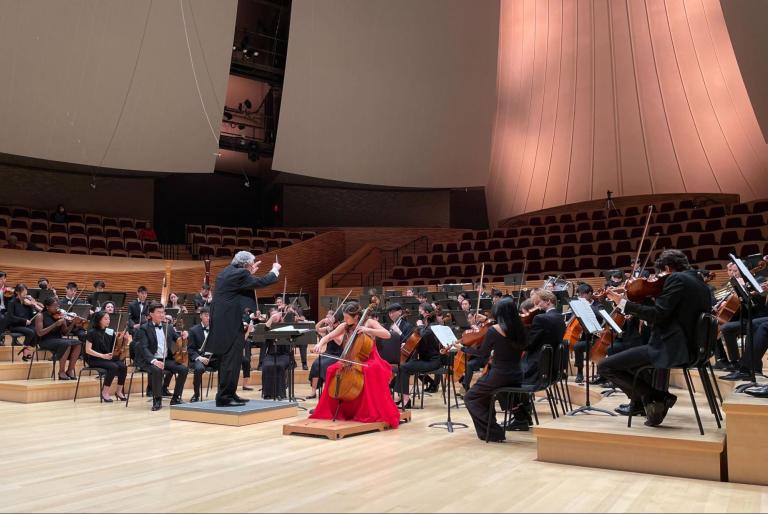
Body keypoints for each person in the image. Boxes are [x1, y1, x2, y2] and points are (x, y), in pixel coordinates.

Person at [601, 249, 712, 427]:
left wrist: (622, 303)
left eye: (661, 273)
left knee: (605, 366)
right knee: (628, 356)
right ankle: (646, 401)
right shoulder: (700, 284)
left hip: (673, 347)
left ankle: (657, 397)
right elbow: (671, 311)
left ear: (668, 267)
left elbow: (658, 314)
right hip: (693, 347)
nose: (659, 278)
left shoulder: (677, 279)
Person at [207, 251, 280, 407]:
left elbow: (244, 285)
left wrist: (249, 272)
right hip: (228, 323)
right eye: (252, 264)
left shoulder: (229, 271)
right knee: (229, 360)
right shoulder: (239, 273)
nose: (253, 266)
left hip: (227, 321)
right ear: (246, 264)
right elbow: (261, 282)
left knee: (234, 360)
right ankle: (224, 397)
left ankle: (230, 393)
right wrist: (275, 270)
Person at [310, 302, 400, 427]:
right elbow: (329, 336)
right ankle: (334, 409)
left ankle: (365, 411)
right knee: (331, 369)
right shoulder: (345, 325)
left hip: (370, 359)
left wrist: (367, 330)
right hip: (351, 359)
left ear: (356, 316)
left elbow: (387, 334)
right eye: (345, 317)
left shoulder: (368, 322)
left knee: (368, 371)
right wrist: (320, 344)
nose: (345, 320)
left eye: (347, 317)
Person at [460, 298, 527, 442]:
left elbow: (482, 354)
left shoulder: (494, 330)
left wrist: (463, 348)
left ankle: (493, 432)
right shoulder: (521, 327)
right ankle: (492, 428)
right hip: (517, 374)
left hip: (500, 374)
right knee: (484, 395)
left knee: (470, 397)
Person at [132, 302, 189, 411]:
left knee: (183, 369)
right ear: (151, 314)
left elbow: (178, 340)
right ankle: (157, 400)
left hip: (165, 359)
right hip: (148, 360)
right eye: (159, 312)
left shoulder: (168, 327)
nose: (162, 315)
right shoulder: (144, 328)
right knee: (157, 369)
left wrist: (184, 336)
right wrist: (154, 361)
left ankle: (176, 398)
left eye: (163, 312)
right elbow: (143, 348)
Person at [393, 303, 442, 409]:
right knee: (402, 367)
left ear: (427, 313)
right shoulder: (425, 327)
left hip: (433, 362)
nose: (419, 314)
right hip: (424, 360)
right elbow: (419, 342)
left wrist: (419, 325)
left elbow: (424, 335)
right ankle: (399, 397)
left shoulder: (433, 326)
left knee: (404, 368)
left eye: (421, 312)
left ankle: (405, 399)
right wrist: (406, 344)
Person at [35, 297, 83, 380]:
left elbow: (66, 333)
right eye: (55, 305)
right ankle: (61, 372)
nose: (57, 307)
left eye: (58, 305)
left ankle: (70, 370)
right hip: (45, 340)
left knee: (78, 343)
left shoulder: (60, 315)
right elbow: (39, 333)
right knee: (66, 344)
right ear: (47, 306)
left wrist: (73, 323)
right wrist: (55, 324)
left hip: (58, 339)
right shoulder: (40, 316)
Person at [85, 311, 128, 402]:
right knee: (113, 367)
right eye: (105, 318)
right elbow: (88, 350)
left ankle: (119, 391)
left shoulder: (110, 331)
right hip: (95, 359)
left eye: (109, 318)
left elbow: (115, 347)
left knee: (123, 366)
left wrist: (121, 339)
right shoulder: (91, 332)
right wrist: (102, 355)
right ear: (99, 320)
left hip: (107, 358)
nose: (108, 320)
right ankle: (105, 392)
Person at [308, 310, 344, 399]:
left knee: (323, 365)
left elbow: (340, 342)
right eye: (327, 317)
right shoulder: (328, 327)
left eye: (329, 317)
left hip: (337, 354)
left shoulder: (340, 327)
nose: (328, 318)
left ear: (335, 318)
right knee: (316, 364)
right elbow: (316, 329)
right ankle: (313, 392)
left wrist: (332, 332)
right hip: (328, 353)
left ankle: (325, 392)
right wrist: (322, 321)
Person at [571, 283, 603, 384]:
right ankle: (580, 373)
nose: (580, 297)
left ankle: (600, 373)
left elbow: (599, 315)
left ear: (590, 294)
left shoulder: (598, 305)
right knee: (577, 346)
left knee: (598, 348)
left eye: (582, 295)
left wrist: (587, 306)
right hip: (585, 338)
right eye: (578, 295)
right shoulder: (578, 306)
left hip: (597, 339)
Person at [7, 284, 41, 360]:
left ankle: (27, 350)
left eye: (26, 292)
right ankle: (25, 350)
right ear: (17, 292)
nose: (25, 295)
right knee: (31, 332)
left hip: (26, 325)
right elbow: (10, 317)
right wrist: (24, 320)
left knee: (38, 331)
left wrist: (33, 305)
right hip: (15, 325)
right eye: (24, 293)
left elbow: (32, 314)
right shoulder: (12, 302)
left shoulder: (27, 303)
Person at [187, 307, 213, 402]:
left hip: (212, 358)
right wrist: (200, 358)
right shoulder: (193, 330)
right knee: (199, 369)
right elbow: (190, 349)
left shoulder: (215, 329)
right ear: (201, 316)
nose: (208, 317)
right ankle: (196, 394)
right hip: (199, 358)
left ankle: (223, 393)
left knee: (225, 364)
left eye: (210, 315)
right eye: (206, 315)